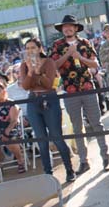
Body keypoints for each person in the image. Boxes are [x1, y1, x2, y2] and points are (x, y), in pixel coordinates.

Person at [51, 15, 109, 172]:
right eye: (65, 27)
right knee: (77, 127)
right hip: (70, 91)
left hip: (88, 87)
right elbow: (54, 65)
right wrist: (68, 54)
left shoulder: (85, 43)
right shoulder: (57, 45)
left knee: (97, 123)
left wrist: (79, 57)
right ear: (62, 29)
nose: (67, 29)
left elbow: (95, 64)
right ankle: (84, 161)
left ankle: (105, 157)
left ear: (76, 28)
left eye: (70, 26)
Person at [20, 36, 75, 182]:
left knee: (56, 136)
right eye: (27, 48)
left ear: (39, 49)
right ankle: (48, 173)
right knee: (41, 139)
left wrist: (38, 72)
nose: (30, 51)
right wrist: (30, 72)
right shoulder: (24, 65)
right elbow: (25, 86)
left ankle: (69, 169)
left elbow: (49, 84)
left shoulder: (49, 62)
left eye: (33, 47)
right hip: (33, 101)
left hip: (49, 99)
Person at [0, 80, 26, 173]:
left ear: (4, 92)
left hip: (11, 129)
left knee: (9, 139)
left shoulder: (11, 104)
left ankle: (20, 161)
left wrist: (6, 132)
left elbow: (14, 121)